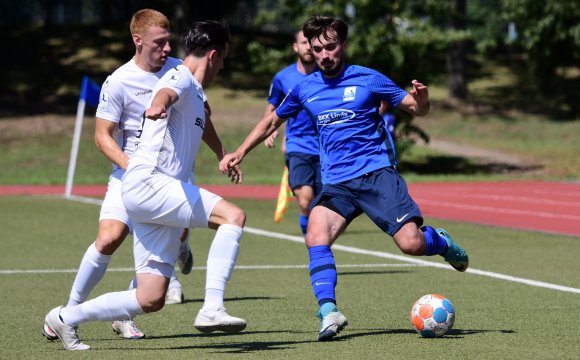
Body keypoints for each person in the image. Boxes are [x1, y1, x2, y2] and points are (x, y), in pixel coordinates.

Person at [220, 15, 469, 342]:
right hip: (338, 184)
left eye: (331, 47)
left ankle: (440, 241)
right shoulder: (304, 88)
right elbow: (271, 122)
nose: (325, 54)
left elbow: (414, 107)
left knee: (411, 243)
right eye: (318, 48)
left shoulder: (367, 79)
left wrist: (422, 101)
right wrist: (240, 151)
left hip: (377, 175)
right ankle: (328, 311)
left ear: (343, 45)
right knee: (315, 234)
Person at [43, 20, 246, 351]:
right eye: (223, 60)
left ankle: (65, 318)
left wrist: (222, 153)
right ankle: (211, 308)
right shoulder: (180, 76)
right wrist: (159, 104)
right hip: (150, 183)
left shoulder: (192, 87)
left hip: (155, 194)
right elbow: (166, 92)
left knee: (151, 297)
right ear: (213, 54)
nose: (222, 67)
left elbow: (200, 117)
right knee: (233, 216)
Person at [263, 30, 320, 236]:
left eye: (312, 43)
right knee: (305, 198)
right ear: (295, 47)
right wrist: (269, 130)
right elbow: (272, 106)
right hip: (298, 144)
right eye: (304, 42)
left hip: (328, 146)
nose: (308, 46)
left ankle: (314, 232)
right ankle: (311, 236)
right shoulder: (283, 78)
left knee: (323, 203)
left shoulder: (328, 76)